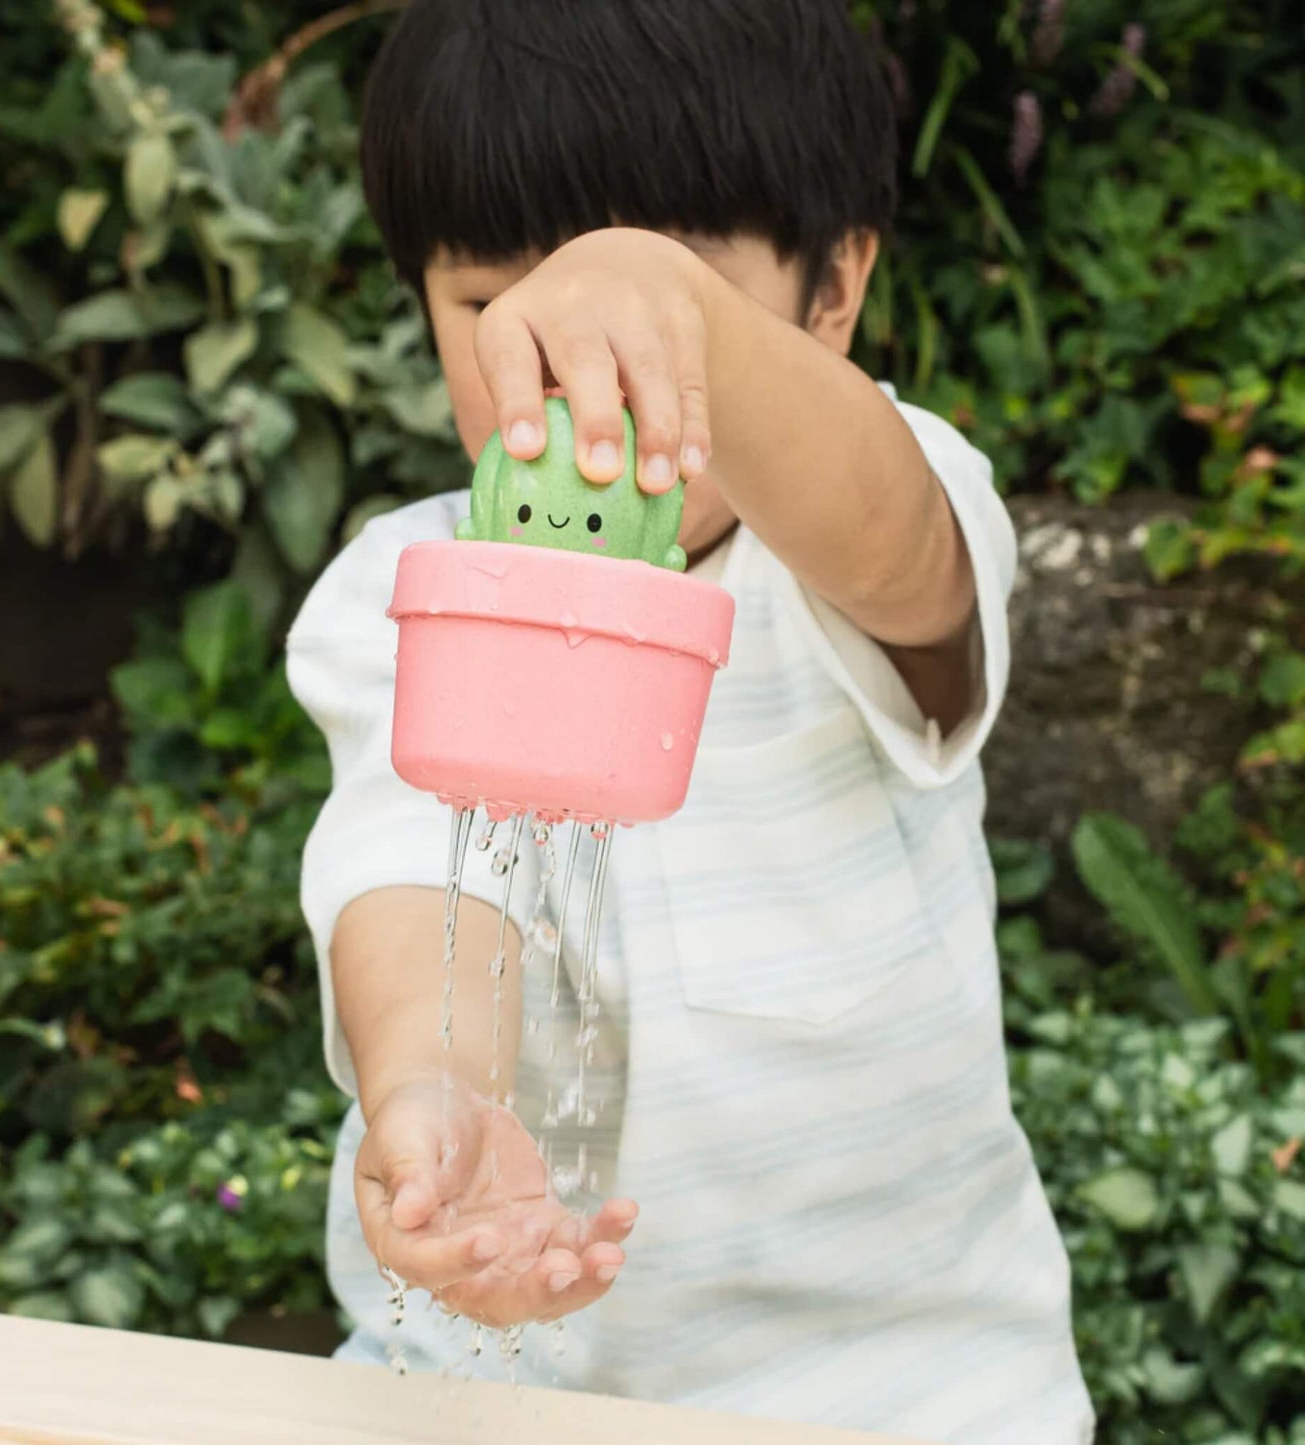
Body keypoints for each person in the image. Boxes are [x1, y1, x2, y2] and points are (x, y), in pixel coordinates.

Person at [287, 2, 1094, 1440]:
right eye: (492, 310)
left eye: (652, 319)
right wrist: (429, 1082)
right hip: (486, 1390)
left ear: (829, 291)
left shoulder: (861, 531)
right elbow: (405, 873)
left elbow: (896, 547)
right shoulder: (403, 590)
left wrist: (682, 324)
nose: (564, 379)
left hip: (906, 1393)